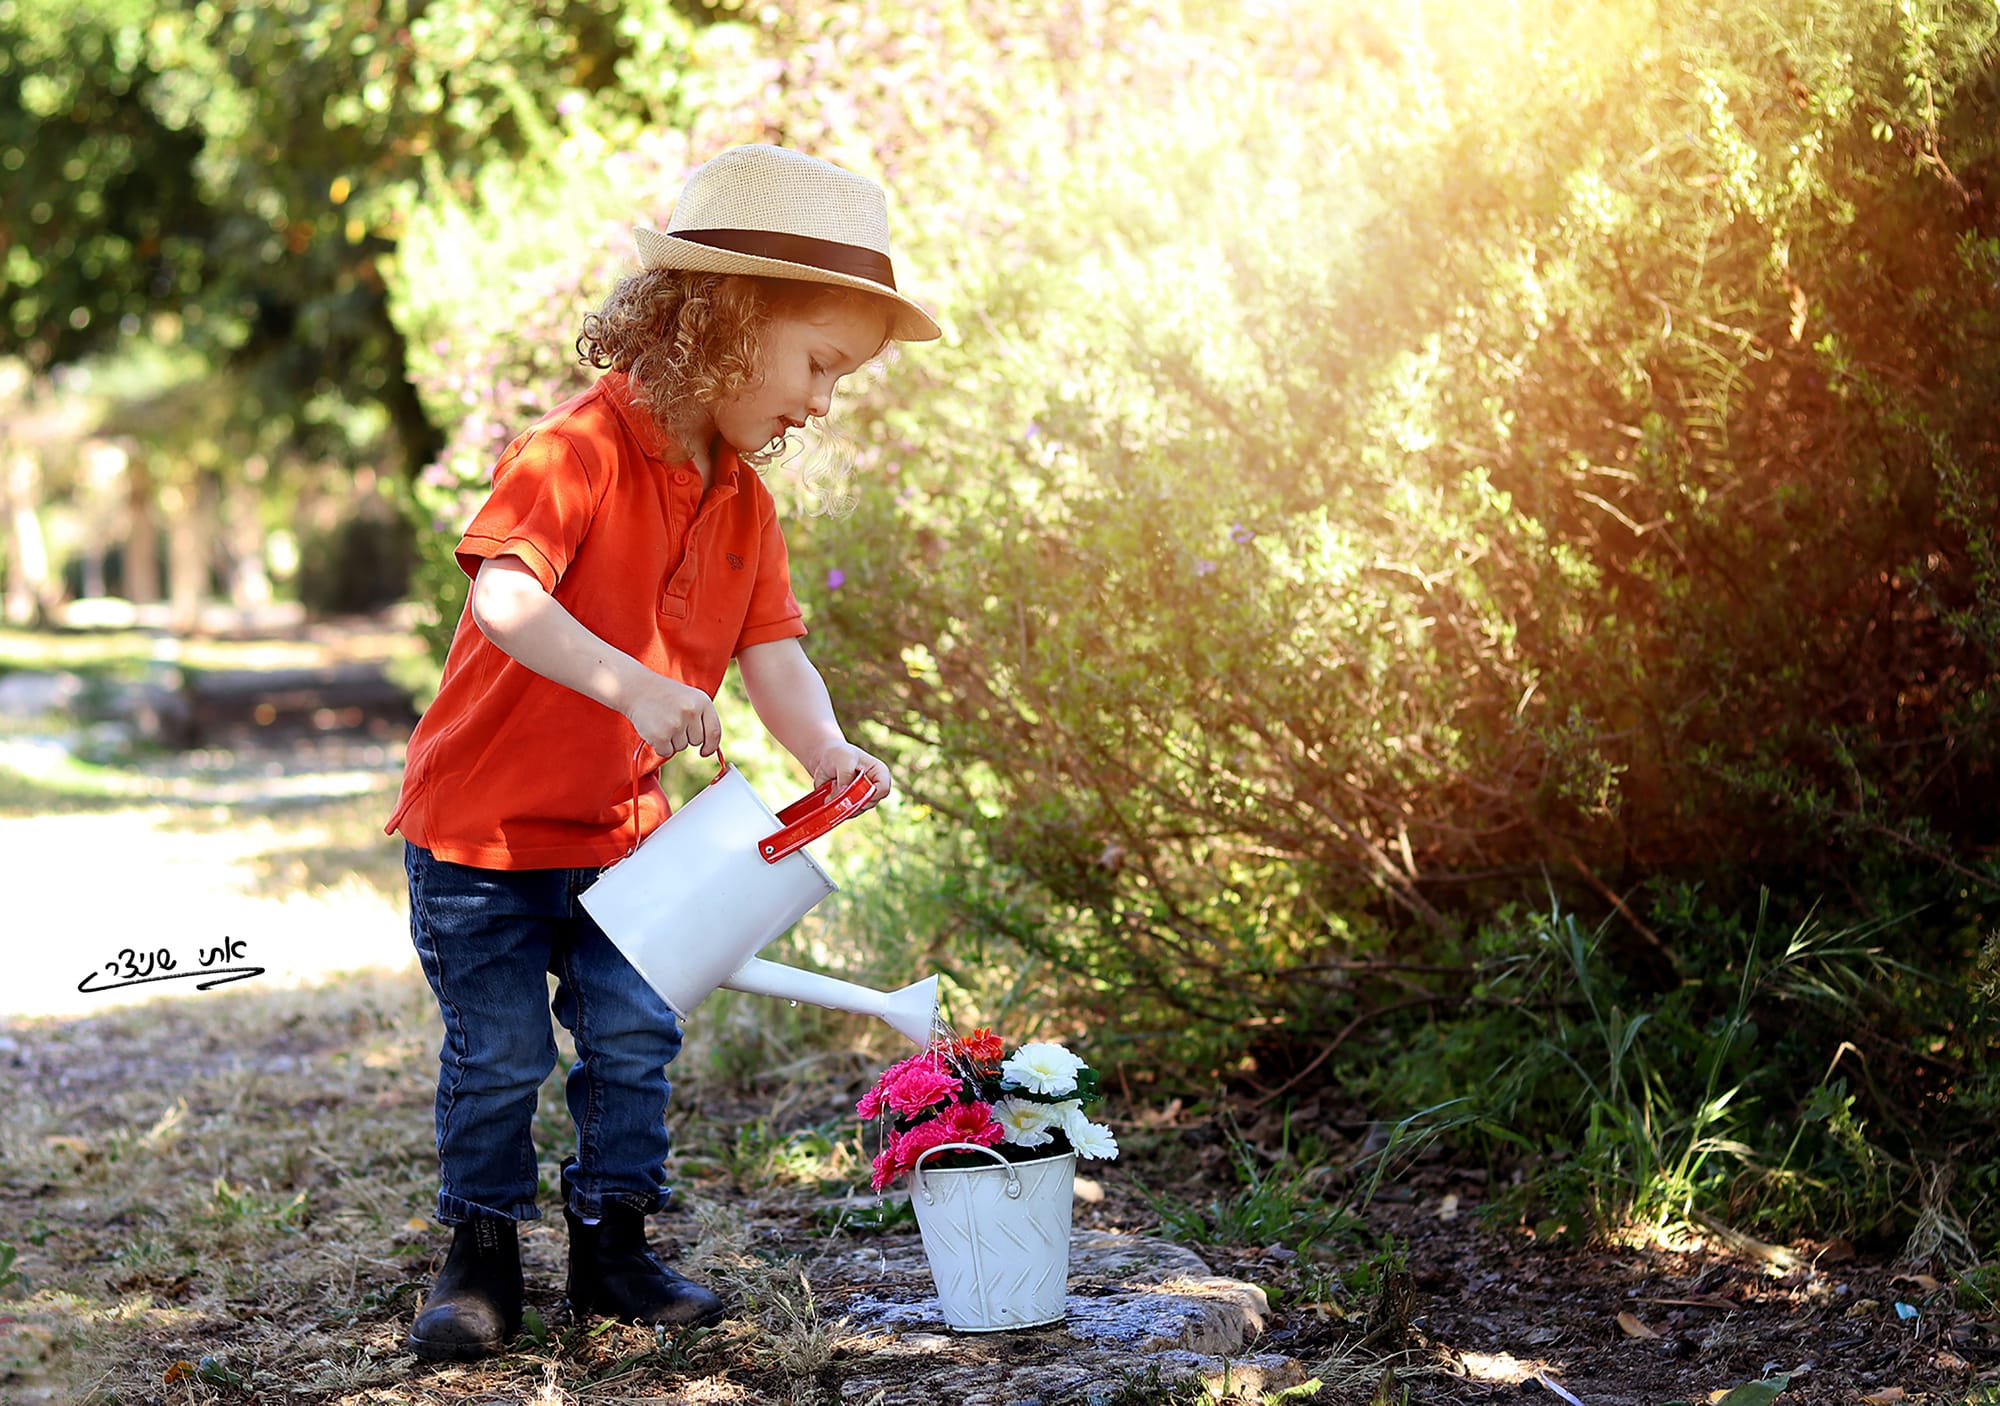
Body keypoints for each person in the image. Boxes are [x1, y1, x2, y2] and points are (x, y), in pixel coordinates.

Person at [382, 144, 941, 1362]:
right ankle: (478, 1250)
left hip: (622, 839)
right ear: (727, 324)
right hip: (481, 831)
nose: (822, 400)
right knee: (502, 1051)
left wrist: (827, 746)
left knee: (632, 1031)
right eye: (817, 365)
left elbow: (774, 651)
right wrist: (631, 680)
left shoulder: (741, 500)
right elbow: (505, 603)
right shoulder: (571, 452)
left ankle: (613, 1243)